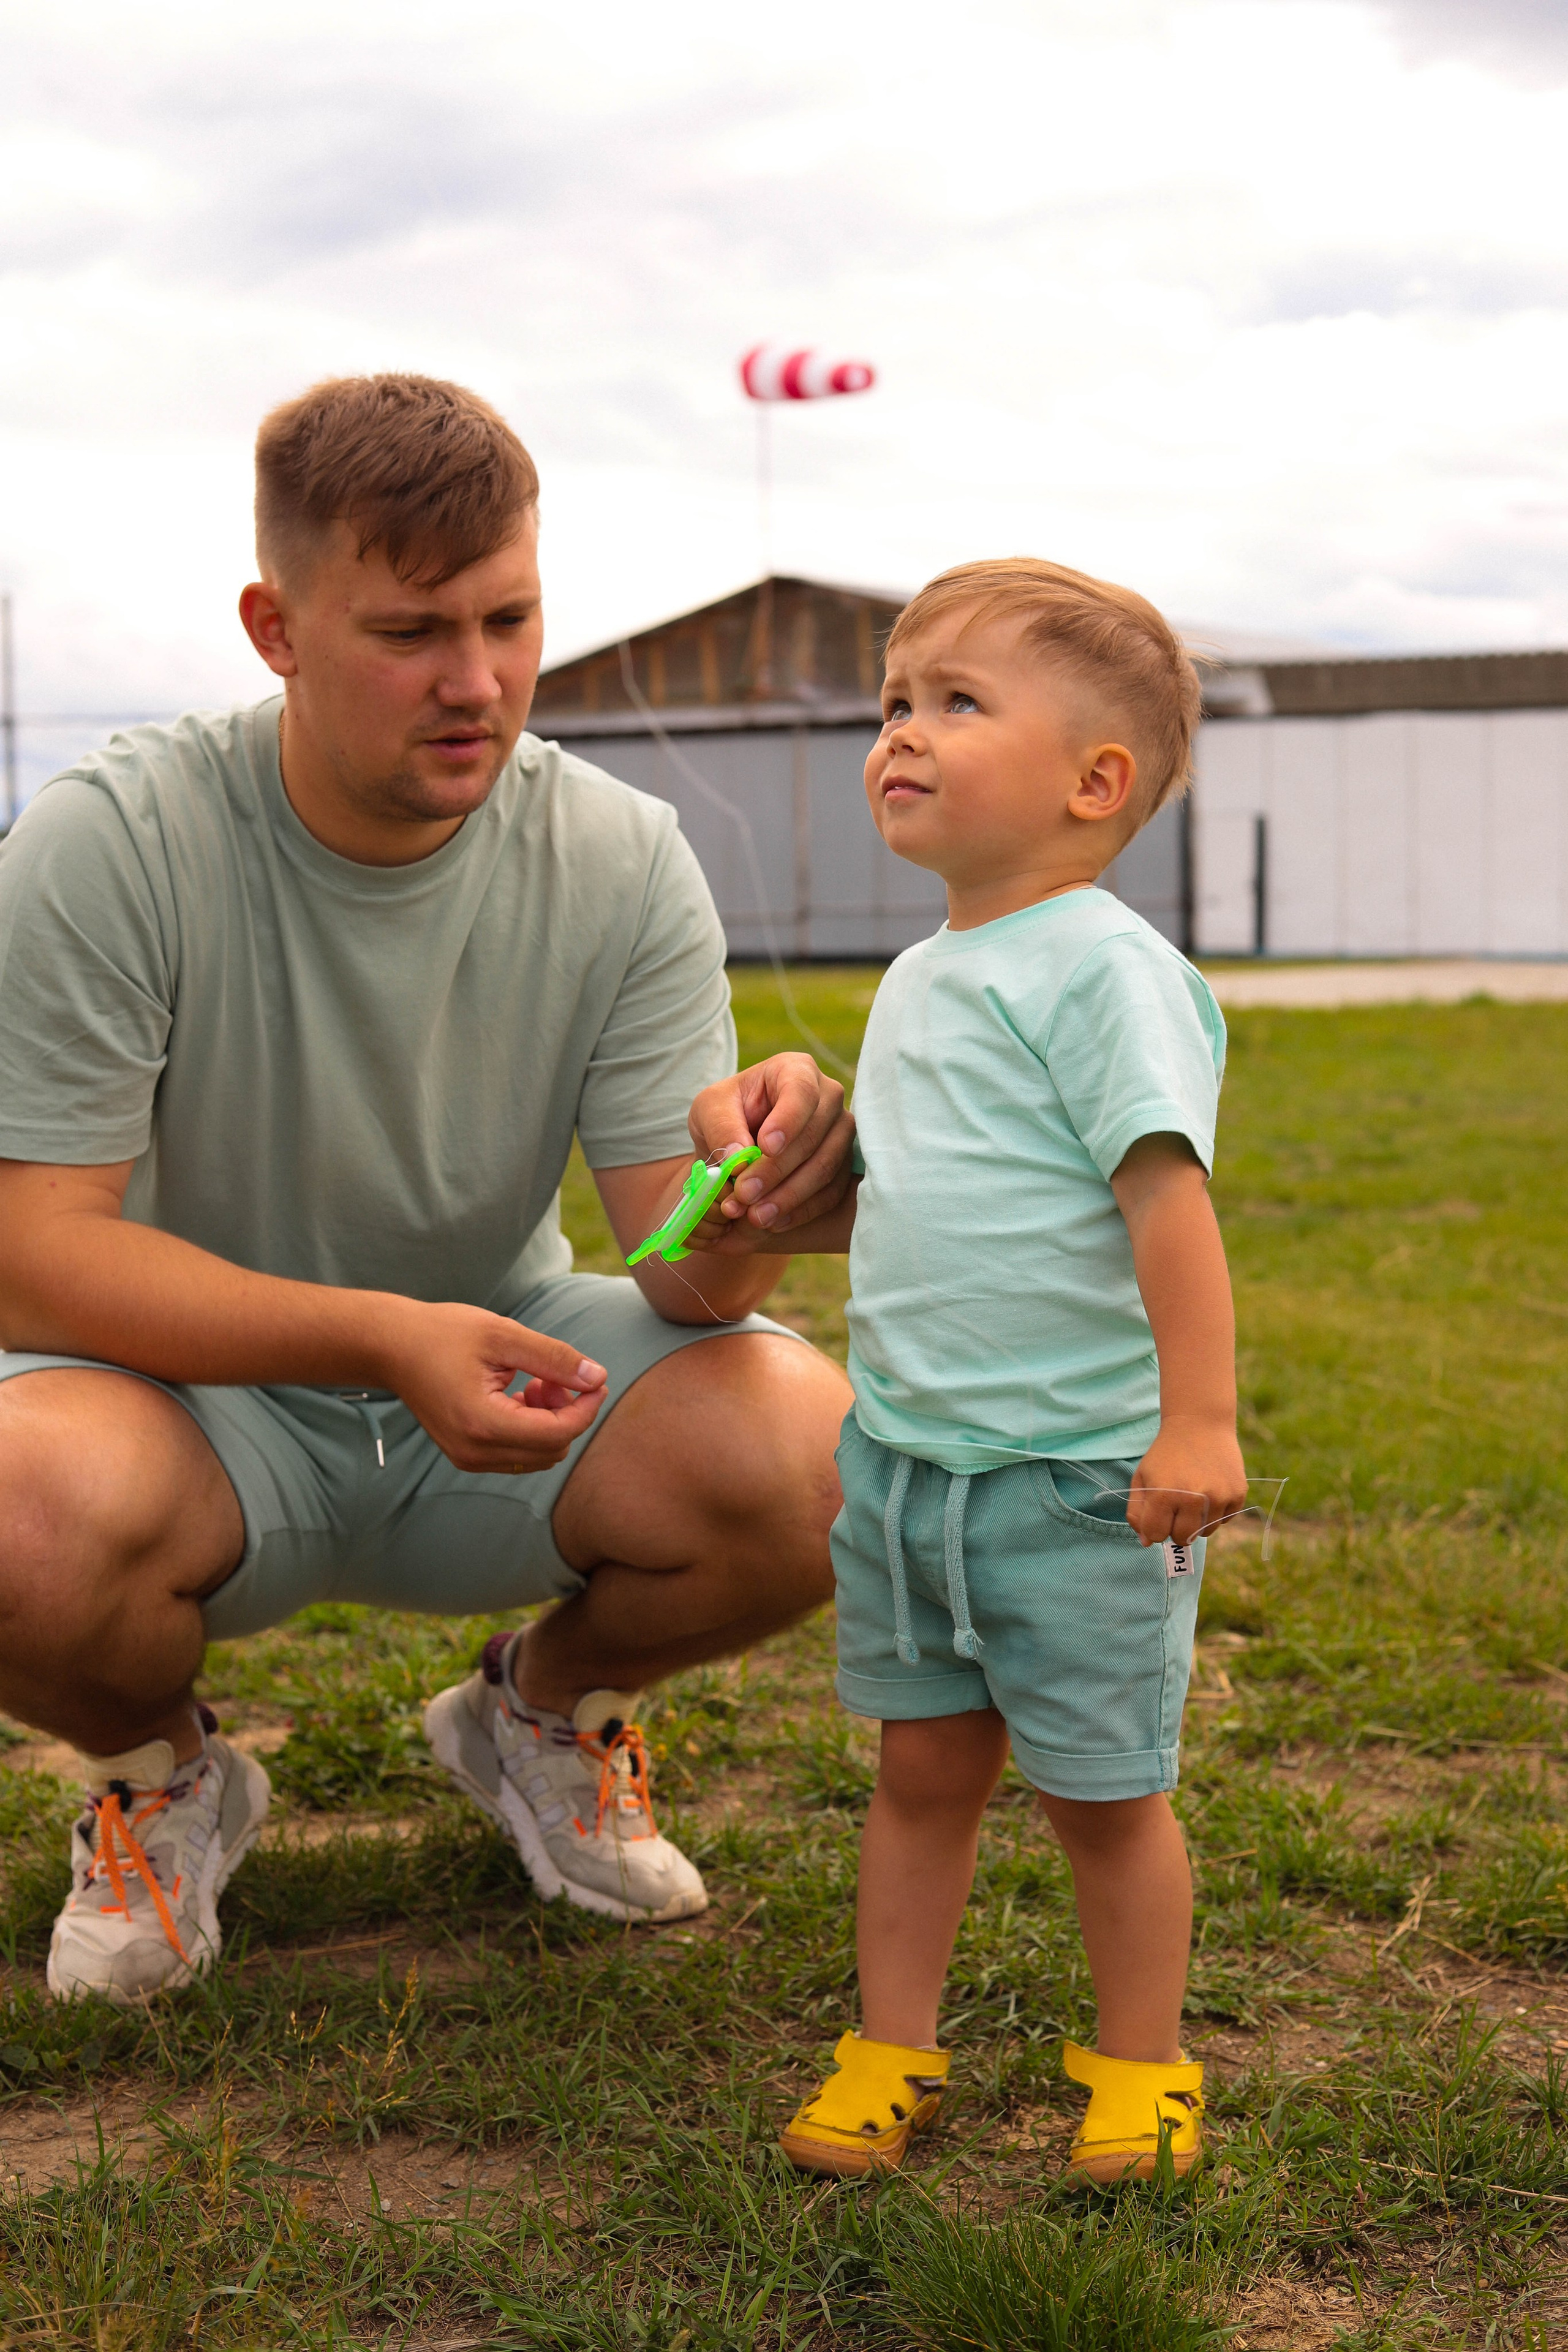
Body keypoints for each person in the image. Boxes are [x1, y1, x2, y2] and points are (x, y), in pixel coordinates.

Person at [0, 372, 854, 2005]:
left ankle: (544, 1714)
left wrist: (769, 1200)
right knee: (11, 1522)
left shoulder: (619, 856)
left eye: (510, 619)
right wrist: (387, 1339)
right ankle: (159, 1777)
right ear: (277, 627)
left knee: (822, 1458)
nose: (477, 683)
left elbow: (683, 1275)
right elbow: (33, 1260)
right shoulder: (109, 839)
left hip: (502, 1354)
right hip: (177, 1397)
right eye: (410, 633)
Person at [686, 557, 1247, 2184]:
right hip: (912, 1467)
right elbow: (955, 1196)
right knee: (921, 1769)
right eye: (892, 703)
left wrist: (1197, 1422)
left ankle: (1142, 2067)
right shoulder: (931, 970)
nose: (899, 734)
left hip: (1075, 1482)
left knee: (1103, 1794)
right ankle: (889, 2047)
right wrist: (817, 1171)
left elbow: (1168, 1204)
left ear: (1097, 782)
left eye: (954, 702)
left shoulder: (1103, 969)